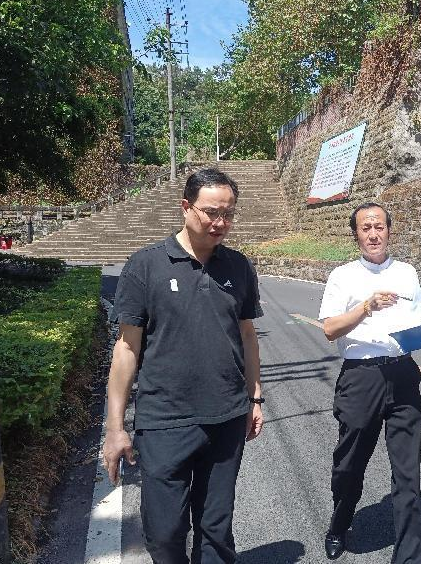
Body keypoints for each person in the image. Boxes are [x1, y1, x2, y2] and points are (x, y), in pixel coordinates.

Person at [101, 167, 264, 564]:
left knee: (216, 530)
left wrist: (254, 397)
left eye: (228, 213)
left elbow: (247, 335)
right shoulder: (146, 265)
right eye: (211, 212)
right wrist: (115, 428)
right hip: (165, 419)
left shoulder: (238, 266)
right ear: (186, 208)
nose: (220, 223)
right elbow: (126, 348)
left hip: (226, 417)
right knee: (165, 532)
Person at [319, 202, 421, 563]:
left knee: (407, 472)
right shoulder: (343, 275)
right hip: (361, 377)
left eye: (379, 227)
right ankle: (339, 523)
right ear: (356, 234)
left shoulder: (407, 272)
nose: (374, 234)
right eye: (366, 228)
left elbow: (417, 323)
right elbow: (330, 329)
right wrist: (366, 307)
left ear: (389, 230)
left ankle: (409, 556)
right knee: (349, 465)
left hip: (403, 373)